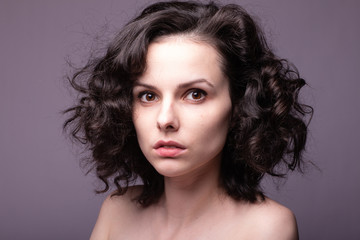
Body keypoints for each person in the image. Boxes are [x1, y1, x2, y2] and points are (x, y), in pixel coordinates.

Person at [64, 1, 312, 239]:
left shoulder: (267, 228)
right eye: (148, 96)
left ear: (240, 105)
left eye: (195, 94)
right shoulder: (117, 211)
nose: (165, 119)